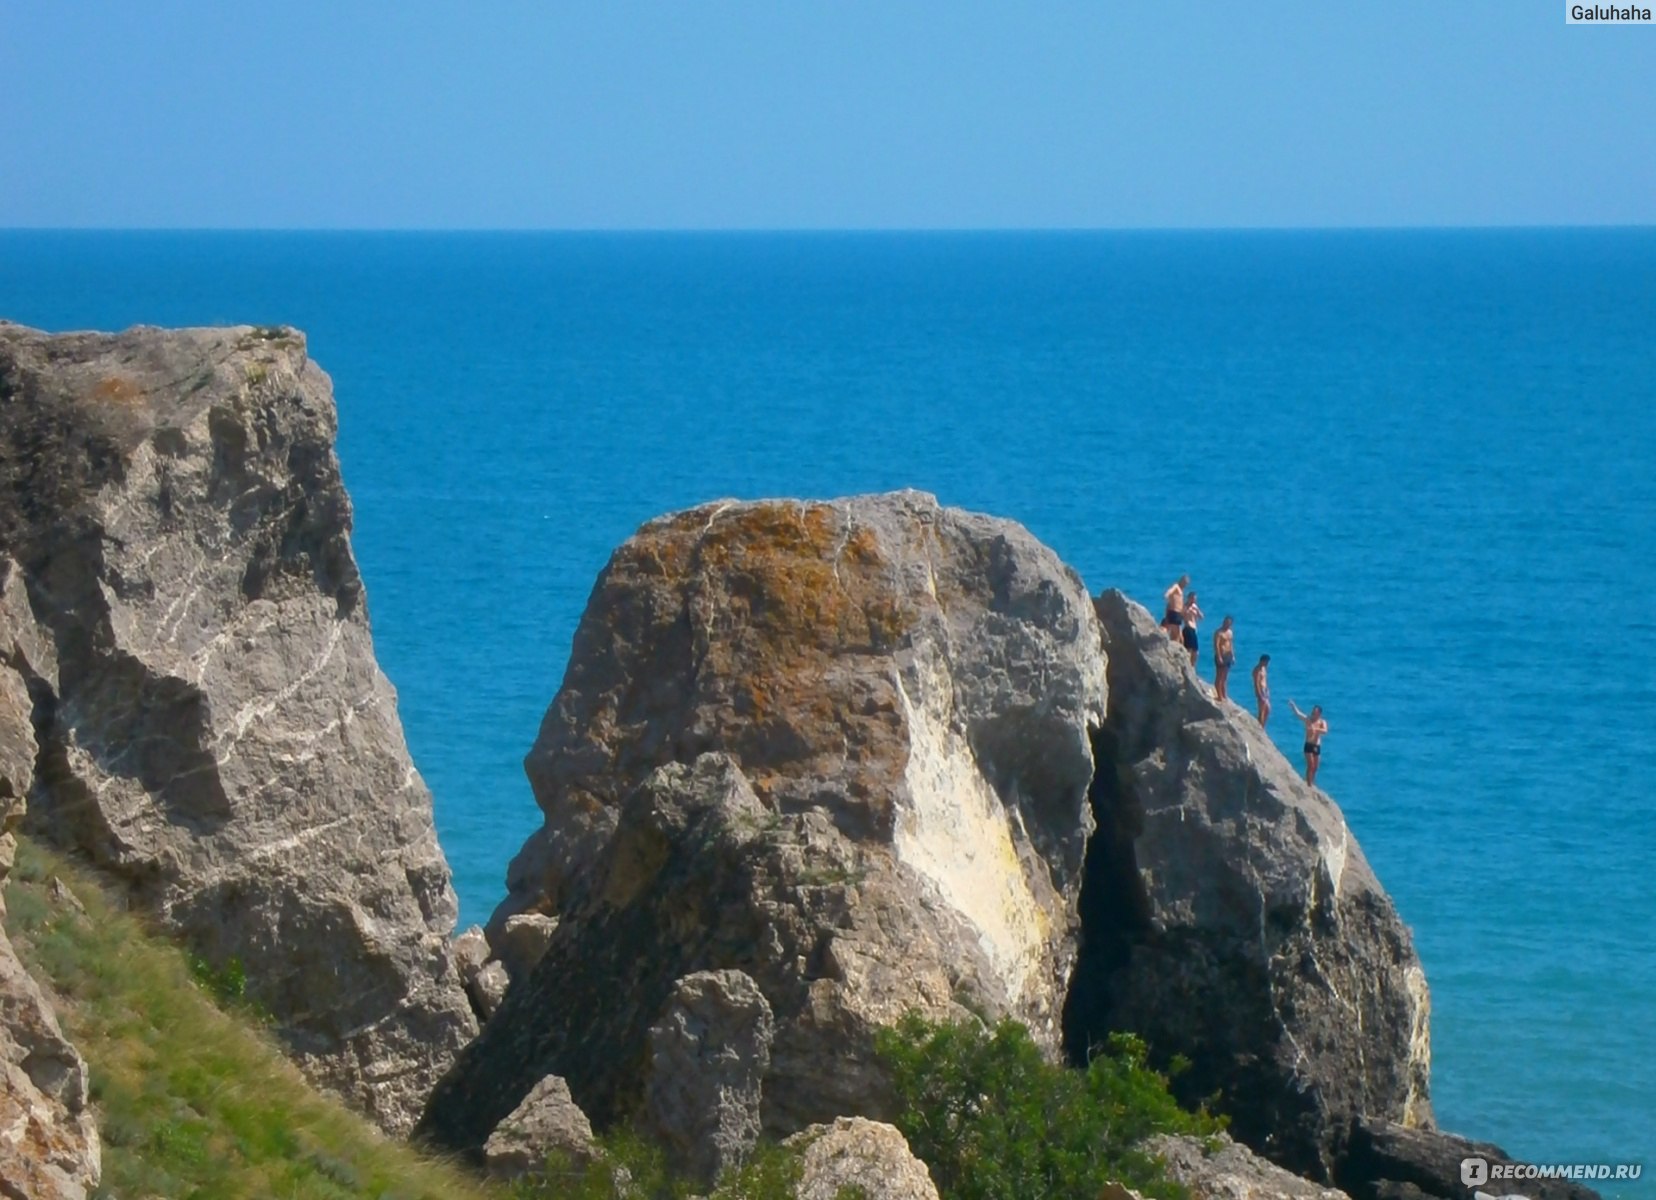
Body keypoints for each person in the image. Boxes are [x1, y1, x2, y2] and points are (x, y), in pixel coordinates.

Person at [1288, 700, 1328, 787]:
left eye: (1315, 713)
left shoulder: (1322, 722)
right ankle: (1308, 784)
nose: (1313, 714)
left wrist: (1316, 729)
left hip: (1316, 746)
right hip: (1308, 745)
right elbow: (1298, 714)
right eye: (1313, 712)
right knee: (1311, 764)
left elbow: (1325, 731)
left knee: (1315, 767)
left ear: (1319, 714)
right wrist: (1293, 706)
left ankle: (1311, 781)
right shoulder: (1308, 720)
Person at [1213, 616, 1235, 700]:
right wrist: (1218, 656)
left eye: (1228, 623)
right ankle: (1219, 695)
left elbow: (1231, 644)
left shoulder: (1230, 632)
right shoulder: (1219, 633)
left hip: (1228, 655)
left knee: (1225, 677)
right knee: (1219, 676)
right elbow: (1216, 645)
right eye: (1225, 622)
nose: (1226, 624)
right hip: (1221, 655)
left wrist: (1233, 656)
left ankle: (1224, 694)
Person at [1161, 575, 1189, 642]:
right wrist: (1167, 594)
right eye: (1184, 583)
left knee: (1176, 634)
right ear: (1181, 581)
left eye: (1186, 584)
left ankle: (1173, 646)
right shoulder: (1176, 586)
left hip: (1178, 613)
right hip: (1174, 612)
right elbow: (1170, 590)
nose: (1185, 585)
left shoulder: (1181, 590)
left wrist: (1183, 611)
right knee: (1177, 634)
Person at [1180, 591, 1203, 666]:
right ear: (1189, 598)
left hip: (1194, 630)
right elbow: (1181, 616)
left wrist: (1197, 611)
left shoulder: (1195, 606)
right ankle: (1187, 666)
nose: (1194, 600)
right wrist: (1187, 611)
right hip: (1188, 628)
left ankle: (1192, 666)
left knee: (1196, 652)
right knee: (1189, 650)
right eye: (1192, 599)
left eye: (1195, 599)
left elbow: (1201, 617)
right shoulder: (1185, 606)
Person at [1252, 655, 1271, 726]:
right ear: (1263, 661)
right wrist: (1259, 694)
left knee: (1268, 709)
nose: (1267, 664)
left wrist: (1267, 689)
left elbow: (1265, 680)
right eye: (1267, 662)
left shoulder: (1264, 669)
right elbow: (1256, 683)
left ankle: (1263, 725)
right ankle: (1260, 725)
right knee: (1262, 710)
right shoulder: (1257, 670)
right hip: (1260, 690)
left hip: (1265, 690)